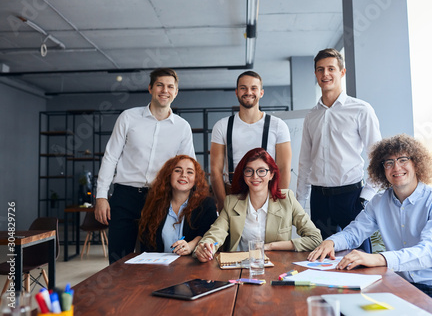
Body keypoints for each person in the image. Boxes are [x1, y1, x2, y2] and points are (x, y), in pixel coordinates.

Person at [308, 134, 432, 316]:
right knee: (341, 309)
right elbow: (354, 232)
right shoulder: (378, 202)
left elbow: (431, 251)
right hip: (399, 289)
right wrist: (332, 242)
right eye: (388, 162)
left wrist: (379, 259)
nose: (396, 167)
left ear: (416, 163)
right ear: (382, 169)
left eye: (402, 160)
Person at [95, 68, 196, 264]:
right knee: (118, 260)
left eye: (170, 87)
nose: (164, 90)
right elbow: (111, 157)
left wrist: (192, 200)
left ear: (176, 92)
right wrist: (101, 196)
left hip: (160, 198)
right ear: (150, 88)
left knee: (155, 260)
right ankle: (119, 295)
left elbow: (188, 165)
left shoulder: (182, 127)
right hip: (125, 196)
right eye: (160, 85)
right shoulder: (128, 117)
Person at [296, 48, 381, 252]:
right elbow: (305, 162)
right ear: (316, 75)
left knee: (360, 259)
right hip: (319, 201)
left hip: (351, 197)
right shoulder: (311, 117)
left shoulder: (361, 110)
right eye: (320, 70)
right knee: (321, 260)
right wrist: (299, 203)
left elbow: (378, 159)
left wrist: (365, 198)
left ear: (342, 72)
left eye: (331, 69)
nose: (325, 74)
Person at [194, 147, 322, 262]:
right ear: (243, 175)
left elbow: (315, 239)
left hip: (277, 267)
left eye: (261, 171)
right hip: (238, 268)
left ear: (271, 174)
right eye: (249, 171)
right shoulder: (231, 202)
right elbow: (216, 232)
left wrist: (270, 246)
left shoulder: (287, 199)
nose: (255, 176)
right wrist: (206, 246)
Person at [210, 71, 292, 212]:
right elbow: (215, 170)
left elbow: (284, 168)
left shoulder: (278, 125)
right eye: (243, 88)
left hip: (268, 196)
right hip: (233, 196)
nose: (248, 92)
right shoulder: (222, 126)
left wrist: (278, 202)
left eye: (253, 88)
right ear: (236, 92)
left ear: (261, 92)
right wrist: (223, 204)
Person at [138, 155, 217, 255]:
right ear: (169, 175)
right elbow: (146, 244)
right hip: (159, 267)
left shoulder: (206, 204)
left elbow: (208, 233)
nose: (183, 175)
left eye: (190, 172)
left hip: (193, 266)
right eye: (178, 170)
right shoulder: (154, 204)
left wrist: (191, 245)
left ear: (196, 179)